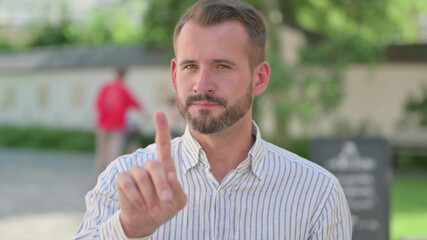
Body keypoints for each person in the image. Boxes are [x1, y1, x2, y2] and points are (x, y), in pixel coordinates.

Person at [75, 0, 352, 239]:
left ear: (260, 78)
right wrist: (127, 231)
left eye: (222, 66)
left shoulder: (317, 193)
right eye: (190, 66)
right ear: (174, 75)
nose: (202, 85)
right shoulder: (125, 180)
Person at [94, 67, 143, 176]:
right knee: (113, 153)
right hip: (117, 125)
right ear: (124, 75)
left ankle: (99, 177)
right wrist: (145, 114)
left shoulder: (105, 87)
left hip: (103, 124)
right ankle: (109, 178)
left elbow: (97, 104)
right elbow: (136, 103)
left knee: (101, 152)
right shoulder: (124, 89)